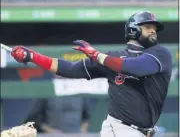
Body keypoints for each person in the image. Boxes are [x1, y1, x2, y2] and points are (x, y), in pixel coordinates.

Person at [11, 11, 172, 137]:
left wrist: (98, 56)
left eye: (155, 28)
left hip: (146, 131)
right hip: (120, 129)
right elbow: (69, 68)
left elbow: (135, 67)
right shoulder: (109, 58)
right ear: (133, 29)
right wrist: (32, 56)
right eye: (148, 27)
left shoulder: (160, 54)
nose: (153, 31)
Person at [23, 96, 90, 133]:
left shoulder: (80, 93)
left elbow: (86, 117)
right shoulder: (48, 92)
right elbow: (33, 119)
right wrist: (49, 130)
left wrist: (82, 131)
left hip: (75, 133)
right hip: (53, 134)